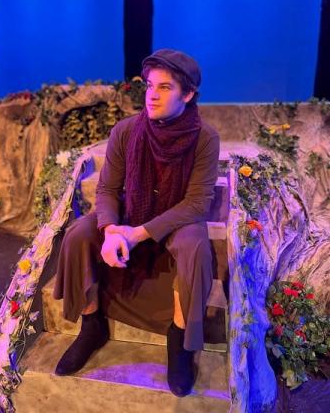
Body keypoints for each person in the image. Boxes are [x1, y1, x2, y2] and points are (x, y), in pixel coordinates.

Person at [53, 48, 220, 397]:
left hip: (177, 218)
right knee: (78, 234)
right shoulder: (126, 131)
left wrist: (138, 234)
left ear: (187, 95)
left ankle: (180, 342)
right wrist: (113, 229)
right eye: (149, 85)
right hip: (131, 213)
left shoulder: (205, 138)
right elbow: (108, 190)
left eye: (165, 87)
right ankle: (91, 324)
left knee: (194, 246)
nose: (152, 94)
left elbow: (196, 204)